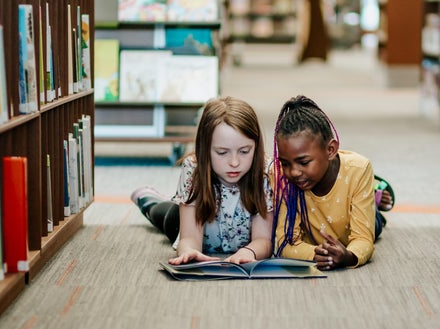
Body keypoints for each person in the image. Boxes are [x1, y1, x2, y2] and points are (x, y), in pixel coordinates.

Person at [131, 96, 274, 265]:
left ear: (256, 147)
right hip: (182, 221)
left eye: (244, 151)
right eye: (222, 152)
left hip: (238, 241)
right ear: (205, 149)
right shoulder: (193, 168)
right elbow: (189, 238)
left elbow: (264, 240)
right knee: (159, 214)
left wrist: (249, 252)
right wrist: (189, 251)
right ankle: (148, 199)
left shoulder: (265, 172)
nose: (234, 162)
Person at [271, 95, 394, 271]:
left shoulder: (359, 168)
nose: (293, 172)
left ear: (330, 150)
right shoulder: (282, 177)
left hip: (350, 220)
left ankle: (371, 201)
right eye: (285, 163)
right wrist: (320, 254)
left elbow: (363, 239)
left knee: (374, 226)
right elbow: (286, 243)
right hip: (323, 238)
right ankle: (368, 197)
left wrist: (349, 257)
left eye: (304, 162)